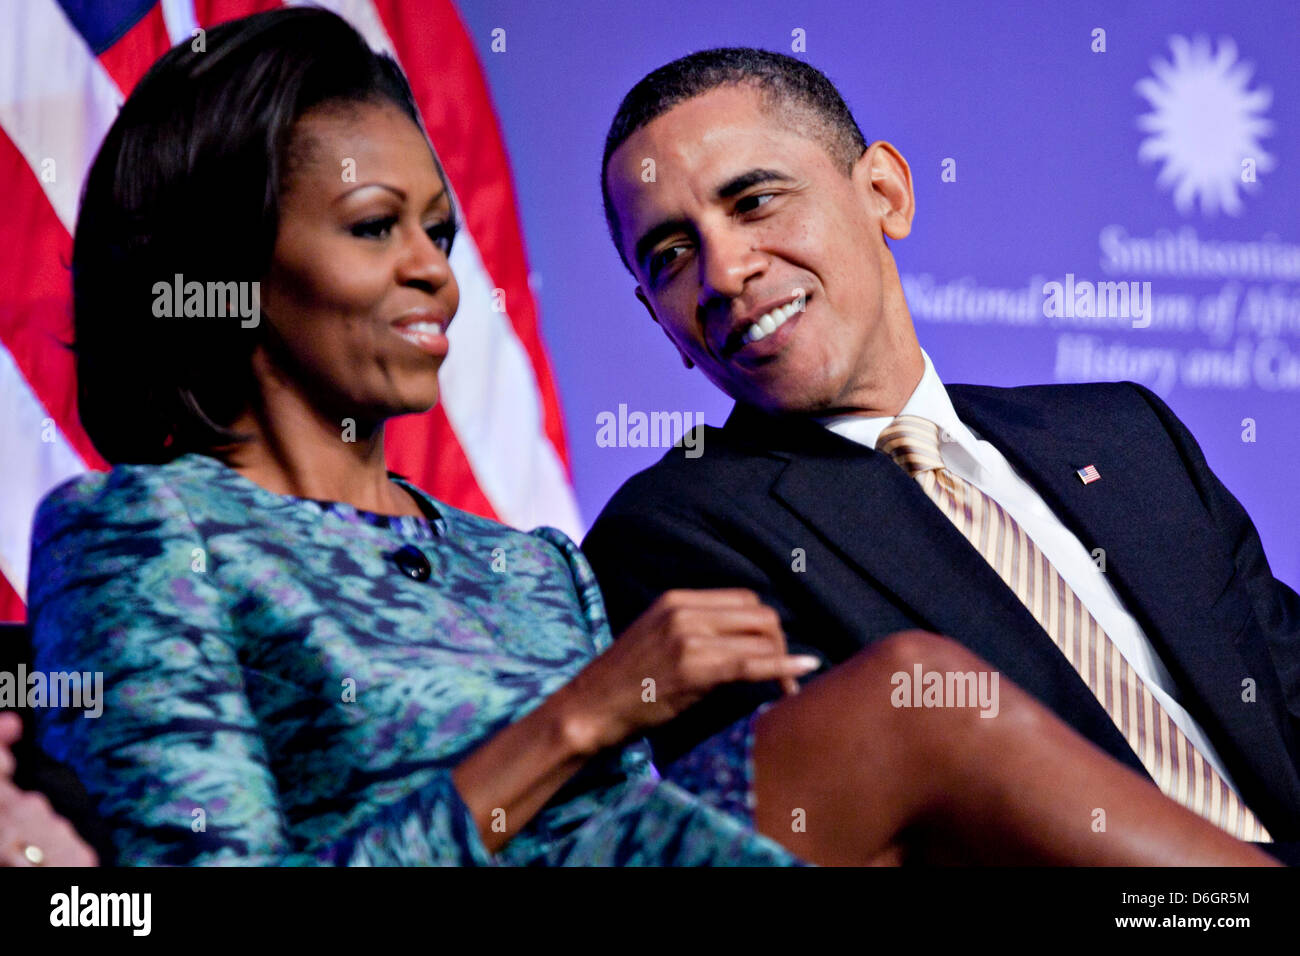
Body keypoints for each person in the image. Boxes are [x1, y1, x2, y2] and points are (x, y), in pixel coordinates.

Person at [25, 9, 1276, 868]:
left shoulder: (528, 562)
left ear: (882, 191)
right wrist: (579, 716)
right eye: (372, 228)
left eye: (442, 234)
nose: (434, 275)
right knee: (907, 697)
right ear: (229, 268)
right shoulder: (139, 531)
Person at [583, 48, 1300, 855]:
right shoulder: (675, 535)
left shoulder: (1125, 435)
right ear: (659, 321)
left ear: (884, 193)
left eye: (753, 202)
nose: (724, 271)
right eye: (671, 256)